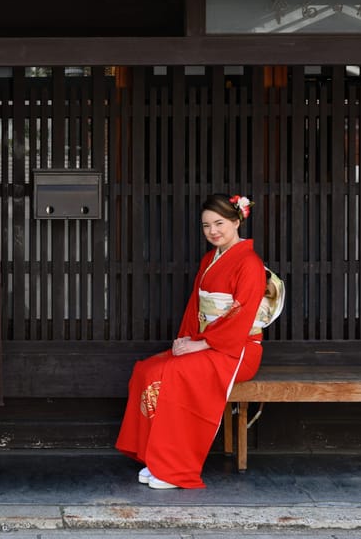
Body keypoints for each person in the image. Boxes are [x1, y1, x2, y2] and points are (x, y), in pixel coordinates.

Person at [115, 193, 278, 489]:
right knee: (147, 370)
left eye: (219, 223)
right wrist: (185, 339)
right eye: (206, 226)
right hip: (207, 342)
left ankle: (174, 468)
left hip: (237, 350)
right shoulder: (210, 259)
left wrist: (201, 345)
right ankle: (156, 458)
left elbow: (240, 315)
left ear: (237, 221)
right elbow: (195, 305)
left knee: (173, 375)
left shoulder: (249, 263)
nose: (213, 231)